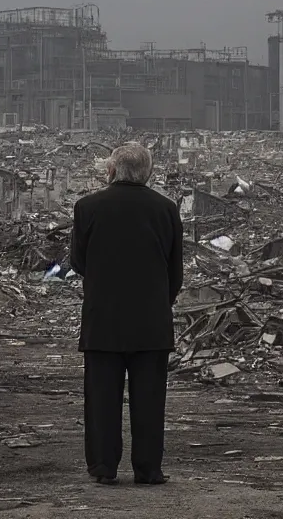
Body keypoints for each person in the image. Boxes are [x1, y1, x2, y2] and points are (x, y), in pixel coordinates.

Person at [70, 142, 183, 486]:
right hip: (151, 322)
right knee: (149, 399)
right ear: (148, 172)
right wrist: (160, 302)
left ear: (112, 169)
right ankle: (148, 470)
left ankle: (104, 466)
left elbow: (78, 262)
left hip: (103, 319)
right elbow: (175, 272)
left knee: (102, 397)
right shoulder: (166, 209)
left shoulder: (87, 207)